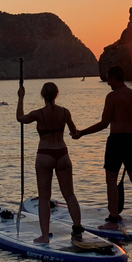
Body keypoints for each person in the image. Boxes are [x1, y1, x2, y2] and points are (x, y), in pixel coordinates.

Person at [73, 66, 132, 229]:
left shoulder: (112, 96)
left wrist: (82, 133)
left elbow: (104, 123)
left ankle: (114, 218)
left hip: (116, 141)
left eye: (109, 78)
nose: (108, 82)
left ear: (115, 78)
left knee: (111, 179)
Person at [16, 82, 84, 244]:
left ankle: (45, 236)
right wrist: (76, 134)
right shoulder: (65, 112)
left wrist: (21, 98)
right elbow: (74, 132)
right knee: (70, 195)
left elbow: (20, 118)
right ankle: (77, 232)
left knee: (45, 198)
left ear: (42, 95)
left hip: (45, 154)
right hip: (62, 154)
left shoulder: (38, 114)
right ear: (56, 94)